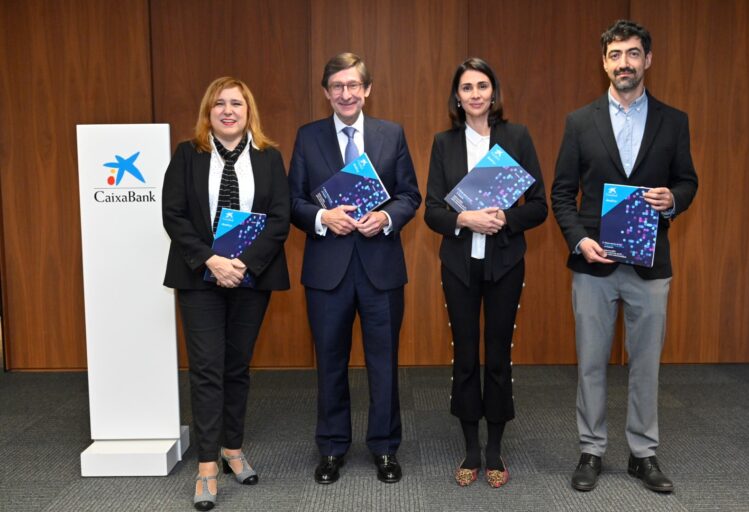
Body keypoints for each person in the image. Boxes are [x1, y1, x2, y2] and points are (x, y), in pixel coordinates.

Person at [551, 20, 698, 493]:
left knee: (646, 362)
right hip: (594, 263)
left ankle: (642, 454)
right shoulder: (580, 121)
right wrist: (578, 240)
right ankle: (591, 449)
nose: (624, 64)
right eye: (615, 55)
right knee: (591, 361)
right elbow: (561, 193)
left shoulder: (674, 121)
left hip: (650, 263)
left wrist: (671, 200)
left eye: (633, 54)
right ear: (604, 62)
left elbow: (688, 181)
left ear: (647, 60)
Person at [288, 52, 421, 485]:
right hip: (327, 270)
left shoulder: (391, 134)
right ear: (327, 93)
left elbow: (409, 195)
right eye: (337, 87)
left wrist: (386, 218)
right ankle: (331, 448)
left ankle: (384, 448)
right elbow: (293, 203)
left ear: (367, 90)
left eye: (353, 86)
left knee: (384, 362)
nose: (345, 94)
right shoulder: (307, 138)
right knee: (330, 362)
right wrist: (323, 219)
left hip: (380, 267)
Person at [162, 76, 290, 510]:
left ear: (248, 110)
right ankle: (206, 466)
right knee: (206, 369)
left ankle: (232, 449)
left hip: (251, 277)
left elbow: (279, 217)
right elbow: (173, 215)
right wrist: (211, 261)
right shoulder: (187, 154)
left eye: (236, 103)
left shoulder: (269, 157)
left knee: (237, 366)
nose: (228, 110)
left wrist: (243, 265)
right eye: (219, 104)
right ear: (208, 113)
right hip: (200, 276)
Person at [424, 58, 548, 488]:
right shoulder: (444, 143)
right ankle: (470, 449)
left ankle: (494, 448)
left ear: (494, 93)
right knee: (464, 354)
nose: (475, 94)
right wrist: (465, 220)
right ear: (456, 97)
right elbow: (433, 211)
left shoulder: (517, 137)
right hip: (458, 264)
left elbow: (539, 206)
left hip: (505, 262)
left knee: (497, 354)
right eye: (466, 87)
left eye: (482, 86)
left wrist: (504, 220)